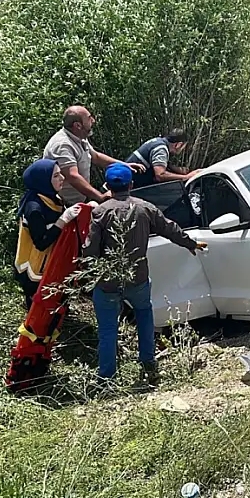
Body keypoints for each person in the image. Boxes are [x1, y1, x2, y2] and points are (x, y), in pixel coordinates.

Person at [84, 164, 208, 385]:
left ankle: (107, 377)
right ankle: (148, 362)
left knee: (108, 329)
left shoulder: (100, 212)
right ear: (131, 185)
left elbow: (90, 249)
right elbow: (169, 228)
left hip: (108, 282)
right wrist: (191, 243)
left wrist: (88, 273)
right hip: (138, 277)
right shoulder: (145, 208)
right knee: (144, 316)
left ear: (108, 187)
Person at [13, 159, 83, 310]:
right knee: (39, 308)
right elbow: (41, 242)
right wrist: (63, 220)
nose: (62, 178)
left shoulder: (51, 196)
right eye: (56, 176)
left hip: (50, 262)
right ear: (44, 181)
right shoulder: (34, 209)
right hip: (35, 268)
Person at [43, 106, 144, 206]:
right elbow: (72, 176)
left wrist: (125, 165)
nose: (93, 120)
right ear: (78, 125)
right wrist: (100, 197)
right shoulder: (62, 145)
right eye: (89, 118)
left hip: (79, 200)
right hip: (63, 204)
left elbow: (96, 157)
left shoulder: (79, 136)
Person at [127, 129, 201, 188]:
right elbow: (160, 175)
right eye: (184, 147)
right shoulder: (161, 149)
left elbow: (157, 164)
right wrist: (186, 177)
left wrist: (178, 170)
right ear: (178, 145)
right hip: (132, 186)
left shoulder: (158, 141)